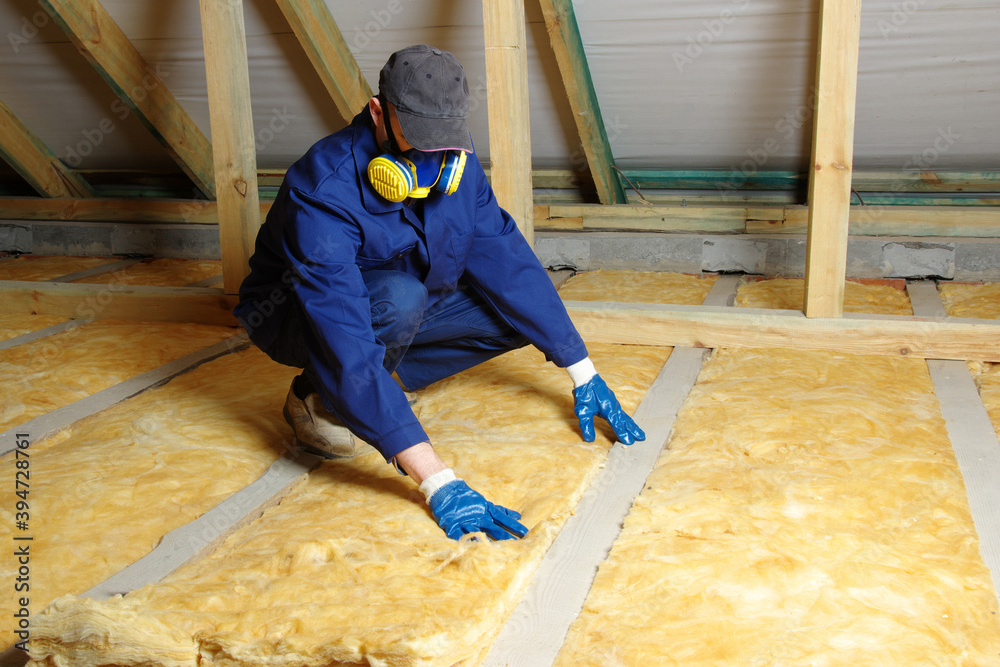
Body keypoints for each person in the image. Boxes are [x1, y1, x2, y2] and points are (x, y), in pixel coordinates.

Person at [235, 44, 644, 542]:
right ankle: (316, 398)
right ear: (378, 113)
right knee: (398, 298)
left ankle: (382, 389)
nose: (435, 161)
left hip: (401, 300)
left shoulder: (461, 165)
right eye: (419, 140)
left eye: (444, 142)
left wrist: (583, 371)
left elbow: (508, 262)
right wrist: (437, 480)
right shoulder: (323, 191)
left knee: (512, 314)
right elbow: (342, 332)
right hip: (299, 316)